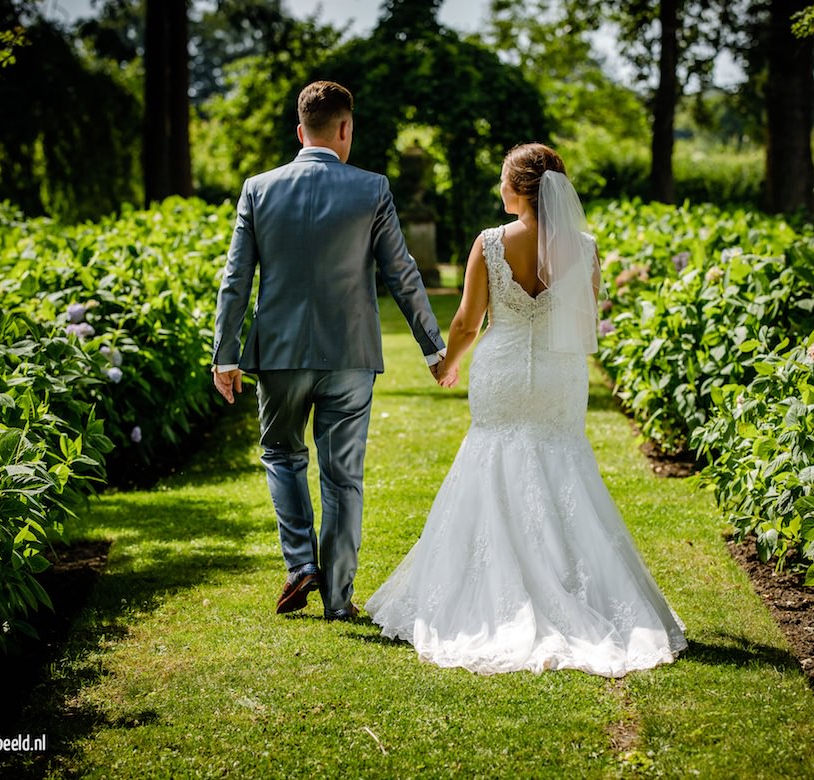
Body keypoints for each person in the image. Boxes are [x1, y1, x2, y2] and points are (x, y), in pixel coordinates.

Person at [366, 143, 687, 676]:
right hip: (560, 374)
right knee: (563, 462)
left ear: (518, 190)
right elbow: (586, 319)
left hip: (504, 368)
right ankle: (573, 581)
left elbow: (469, 320)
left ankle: (499, 589)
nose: (499, 189)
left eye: (502, 181)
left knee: (493, 457)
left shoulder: (490, 243)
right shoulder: (583, 247)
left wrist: (449, 362)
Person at [211, 81, 447, 621]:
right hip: (350, 356)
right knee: (343, 476)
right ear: (345, 129)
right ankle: (338, 599)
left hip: (278, 354)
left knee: (282, 456)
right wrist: (433, 347)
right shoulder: (372, 189)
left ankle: (300, 566)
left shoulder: (258, 188)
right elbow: (403, 274)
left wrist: (225, 355)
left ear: (300, 131)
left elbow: (236, 278)